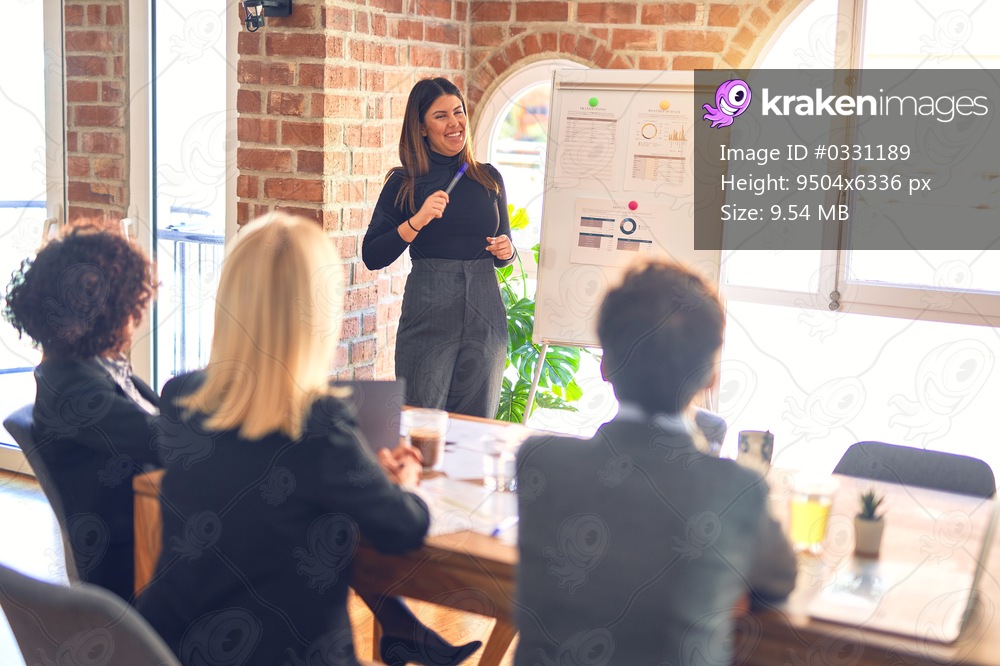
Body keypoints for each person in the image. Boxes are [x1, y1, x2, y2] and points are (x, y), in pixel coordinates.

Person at [138, 213, 480, 666]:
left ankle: (401, 631)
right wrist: (407, 479)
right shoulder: (317, 425)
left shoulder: (181, 400)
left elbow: (253, 495)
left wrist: (354, 475)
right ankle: (403, 632)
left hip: (179, 648)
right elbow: (403, 527)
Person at [513, 259, 797, 666]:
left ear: (605, 366)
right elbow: (778, 581)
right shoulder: (737, 491)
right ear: (711, 377)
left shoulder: (539, 461)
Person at [3, 224, 160, 602]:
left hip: (155, 530)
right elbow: (164, 441)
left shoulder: (92, 365)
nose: (137, 316)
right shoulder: (72, 386)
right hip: (137, 565)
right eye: (133, 302)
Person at [363, 77, 515, 419]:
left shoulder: (489, 178)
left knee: (478, 423)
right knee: (420, 423)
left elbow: (505, 249)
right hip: (429, 306)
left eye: (458, 112)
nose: (455, 122)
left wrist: (507, 251)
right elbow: (372, 255)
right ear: (421, 127)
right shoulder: (403, 184)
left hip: (485, 309)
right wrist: (416, 221)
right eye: (441, 115)